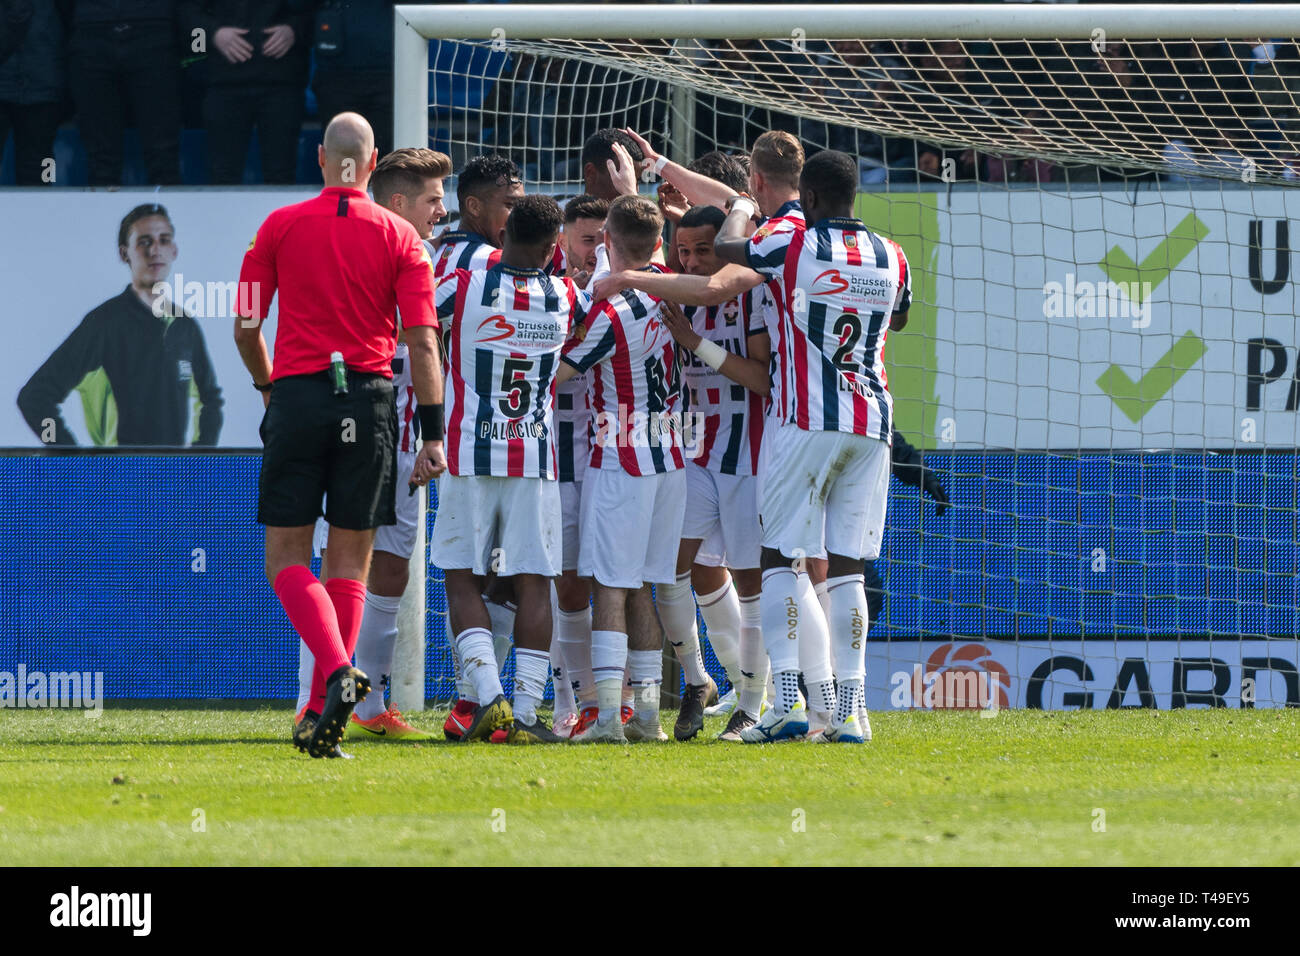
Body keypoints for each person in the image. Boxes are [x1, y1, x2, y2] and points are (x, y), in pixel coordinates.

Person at [234, 112, 445, 758]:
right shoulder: (402, 239)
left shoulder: (278, 227)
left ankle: (329, 679)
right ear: (373, 161)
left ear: (323, 160)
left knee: (286, 560)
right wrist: (432, 435)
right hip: (372, 398)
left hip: (298, 396)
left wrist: (269, 387)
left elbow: (245, 325)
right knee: (350, 563)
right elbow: (423, 342)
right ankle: (330, 697)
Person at [293, 146, 452, 742]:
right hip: (351, 430)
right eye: (434, 199)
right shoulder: (358, 250)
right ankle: (312, 703)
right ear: (397, 201)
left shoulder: (426, 258)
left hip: (403, 437)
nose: (442, 209)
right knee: (335, 564)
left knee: (390, 571)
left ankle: (367, 703)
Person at [429, 194, 582, 744]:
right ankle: (520, 714)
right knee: (534, 582)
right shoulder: (566, 294)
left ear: (505, 233)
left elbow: (415, 319)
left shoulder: (466, 284)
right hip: (533, 457)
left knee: (462, 575)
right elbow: (589, 329)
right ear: (551, 248)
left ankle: (487, 697)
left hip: (468, 452)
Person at [554, 195, 685, 743]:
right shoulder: (674, 287)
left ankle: (609, 717)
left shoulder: (610, 313)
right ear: (659, 244)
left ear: (606, 240)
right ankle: (649, 717)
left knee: (609, 585)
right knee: (645, 589)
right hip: (672, 459)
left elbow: (559, 376)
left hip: (621, 458)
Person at [654, 204, 773, 743]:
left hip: (747, 458)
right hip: (694, 455)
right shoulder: (674, 296)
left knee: (752, 582)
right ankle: (699, 681)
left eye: (704, 250)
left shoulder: (747, 296)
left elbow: (762, 379)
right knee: (672, 568)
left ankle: (753, 702)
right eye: (684, 251)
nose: (693, 260)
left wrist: (695, 344)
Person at [18, 203, 224, 447]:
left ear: (174, 251)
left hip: (173, 478)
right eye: (144, 241)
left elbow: (211, 399)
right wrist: (70, 458)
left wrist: (200, 460)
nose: (155, 250)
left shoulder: (184, 326)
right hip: (120, 478)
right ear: (124, 253)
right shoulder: (104, 323)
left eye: (164, 240)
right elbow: (34, 398)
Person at [550, 194, 609, 737]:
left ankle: (624, 701)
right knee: (567, 584)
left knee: (620, 582)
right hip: (557, 458)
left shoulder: (623, 293)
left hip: (616, 459)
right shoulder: (542, 291)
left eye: (602, 239)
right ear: (564, 238)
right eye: (586, 239)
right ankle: (571, 700)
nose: (594, 250)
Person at [178, 1, 311, 184]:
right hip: (222, 83)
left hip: (282, 83)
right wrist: (213, 34)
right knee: (222, 174)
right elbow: (186, 16)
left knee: (281, 173)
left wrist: (294, 31)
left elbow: (317, 12)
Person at [62, 0, 181, 185]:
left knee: (162, 152)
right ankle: (101, 210)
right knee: (100, 157)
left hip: (154, 31)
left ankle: (167, 209)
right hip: (90, 31)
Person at [0, 1, 65, 186]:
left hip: (44, 75)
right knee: (42, 161)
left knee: (44, 165)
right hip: (45, 71)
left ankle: (45, 208)